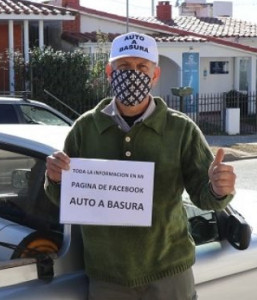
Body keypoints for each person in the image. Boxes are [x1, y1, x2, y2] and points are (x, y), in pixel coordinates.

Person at [44, 32, 236, 300]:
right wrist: (54, 178)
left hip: (170, 273)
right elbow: (64, 198)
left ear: (155, 75)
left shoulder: (181, 129)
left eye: (141, 67)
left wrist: (219, 189)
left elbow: (205, 197)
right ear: (110, 72)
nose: (132, 74)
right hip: (107, 278)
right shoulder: (85, 129)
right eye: (124, 67)